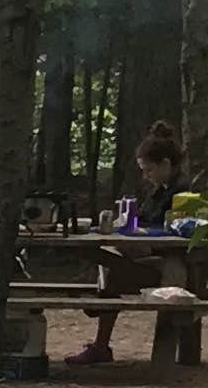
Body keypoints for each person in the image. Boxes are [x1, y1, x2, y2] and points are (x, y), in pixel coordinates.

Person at [69, 118, 182, 365]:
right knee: (110, 266)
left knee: (114, 275)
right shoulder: (158, 192)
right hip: (144, 257)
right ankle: (99, 313)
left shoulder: (182, 193)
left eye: (148, 169)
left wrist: (142, 233)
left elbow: (173, 230)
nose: (145, 175)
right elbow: (140, 220)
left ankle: (99, 307)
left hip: (168, 267)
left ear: (165, 164)